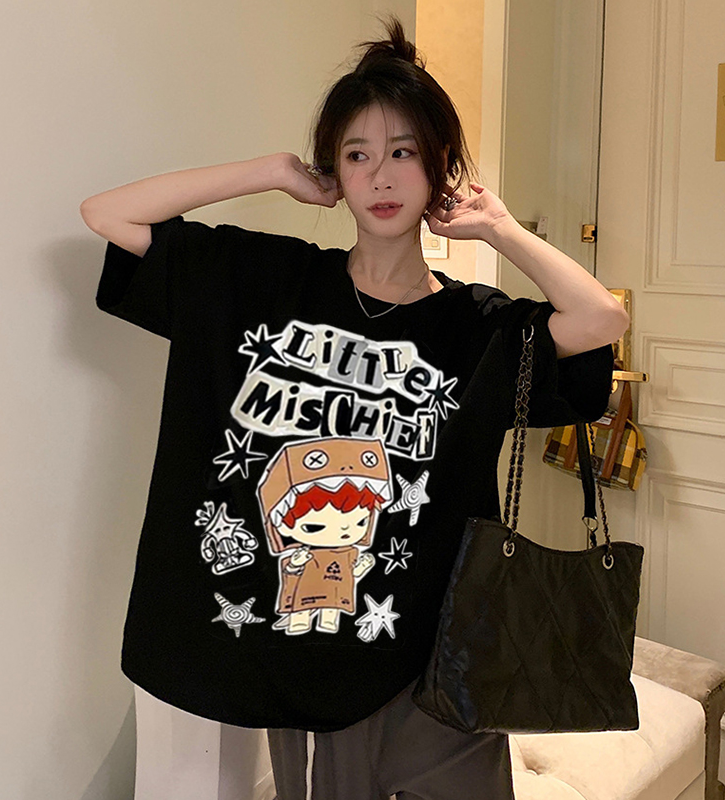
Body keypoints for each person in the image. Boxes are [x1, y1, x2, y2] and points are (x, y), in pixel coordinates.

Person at [80, 13, 628, 800]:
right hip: (296, 656)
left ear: (438, 167)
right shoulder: (269, 282)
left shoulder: (475, 327)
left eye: (403, 152)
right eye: (357, 154)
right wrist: (272, 170)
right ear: (333, 171)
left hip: (432, 656)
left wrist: (500, 227)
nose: (381, 178)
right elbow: (109, 215)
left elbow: (600, 319)